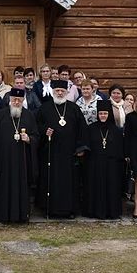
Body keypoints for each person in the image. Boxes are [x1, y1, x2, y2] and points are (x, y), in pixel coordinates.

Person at [37, 80, 89, 218]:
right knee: (51, 181)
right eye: (57, 91)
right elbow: (37, 128)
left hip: (69, 153)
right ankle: (50, 210)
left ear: (66, 92)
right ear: (53, 92)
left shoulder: (74, 108)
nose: (59, 93)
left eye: (62, 91)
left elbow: (82, 129)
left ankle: (70, 210)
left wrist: (80, 148)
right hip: (51, 153)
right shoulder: (44, 108)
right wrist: (44, 132)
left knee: (69, 182)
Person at [0, 89, 39, 223]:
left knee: (22, 188)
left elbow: (36, 136)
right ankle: (5, 216)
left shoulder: (29, 115)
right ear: (9, 100)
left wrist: (29, 139)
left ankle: (22, 216)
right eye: (14, 99)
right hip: (4, 161)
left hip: (22, 161)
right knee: (4, 187)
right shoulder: (1, 115)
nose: (16, 102)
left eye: (19, 100)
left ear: (23, 100)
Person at [82, 100, 125, 219]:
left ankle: (111, 212)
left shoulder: (116, 130)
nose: (103, 116)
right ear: (97, 114)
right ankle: (94, 212)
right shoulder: (91, 128)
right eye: (101, 113)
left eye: (105, 113)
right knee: (95, 188)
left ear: (109, 114)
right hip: (94, 164)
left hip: (111, 165)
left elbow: (120, 149)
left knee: (111, 188)